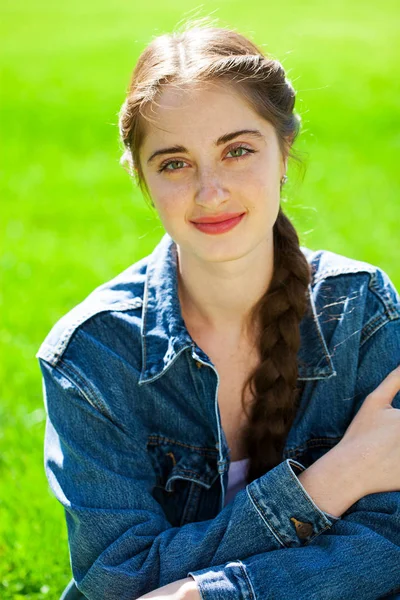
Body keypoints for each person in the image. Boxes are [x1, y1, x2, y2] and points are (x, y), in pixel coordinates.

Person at [36, 19, 400, 600]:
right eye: (174, 163)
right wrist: (330, 483)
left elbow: (391, 539)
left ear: (284, 152)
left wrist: (210, 595)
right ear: (142, 179)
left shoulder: (360, 310)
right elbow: (116, 577)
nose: (211, 192)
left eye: (237, 151)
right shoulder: (92, 354)